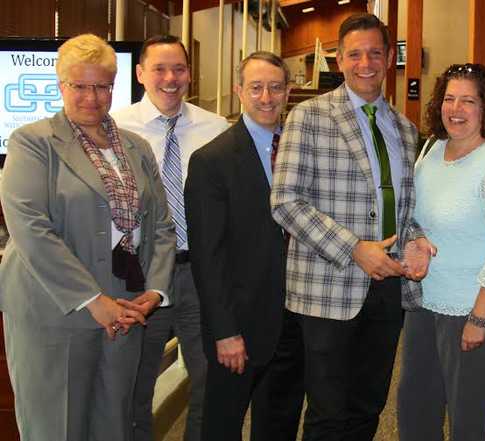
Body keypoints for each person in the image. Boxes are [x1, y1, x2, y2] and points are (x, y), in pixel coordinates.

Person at [0, 33, 175, 441]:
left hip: (125, 308)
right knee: (57, 429)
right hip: (56, 312)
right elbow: (30, 227)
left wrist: (154, 293)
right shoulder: (33, 142)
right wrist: (94, 301)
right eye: (80, 85)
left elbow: (161, 227)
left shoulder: (136, 148)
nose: (92, 97)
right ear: (61, 85)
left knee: (114, 425)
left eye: (101, 86)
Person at [270, 13, 432, 441]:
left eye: (375, 53)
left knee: (368, 407)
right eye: (355, 54)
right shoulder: (307, 116)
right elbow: (285, 201)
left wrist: (414, 241)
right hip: (328, 287)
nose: (366, 63)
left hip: (386, 290)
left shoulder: (404, 128)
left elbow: (404, 208)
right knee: (326, 413)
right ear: (339, 60)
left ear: (388, 59)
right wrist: (355, 249)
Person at [396, 63, 485, 441]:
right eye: (450, 98)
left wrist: (479, 317)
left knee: (466, 418)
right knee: (415, 408)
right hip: (423, 302)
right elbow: (412, 215)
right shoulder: (432, 149)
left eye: (468, 100)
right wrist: (411, 243)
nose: (456, 108)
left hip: (472, 308)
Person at [112, 34, 228, 441]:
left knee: (210, 381)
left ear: (190, 75)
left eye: (178, 68)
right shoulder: (115, 129)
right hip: (142, 278)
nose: (170, 78)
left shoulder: (216, 129)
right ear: (140, 73)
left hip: (201, 275)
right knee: (135, 386)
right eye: (159, 68)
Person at [185, 51, 304, 441]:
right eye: (256, 87)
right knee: (222, 425)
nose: (266, 97)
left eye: (275, 87)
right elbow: (208, 257)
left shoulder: (303, 152)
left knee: (280, 424)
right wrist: (225, 332)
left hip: (295, 322)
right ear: (239, 91)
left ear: (288, 91)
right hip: (239, 327)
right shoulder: (211, 161)